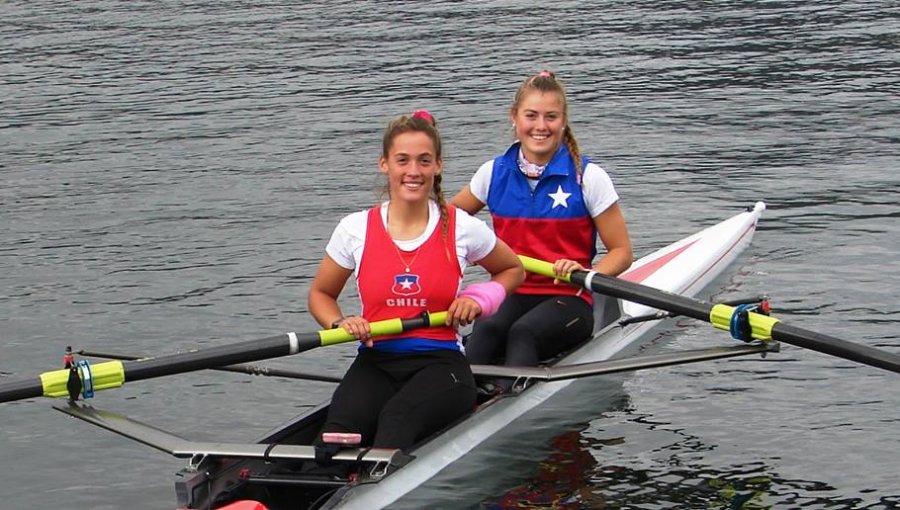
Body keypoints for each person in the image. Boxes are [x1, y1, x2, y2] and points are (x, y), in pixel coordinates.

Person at [307, 110, 523, 452]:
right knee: (335, 436)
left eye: (424, 161)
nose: (413, 171)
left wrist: (478, 299)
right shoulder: (355, 229)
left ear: (437, 165)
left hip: (441, 363)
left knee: (397, 419)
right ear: (384, 164)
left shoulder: (460, 226)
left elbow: (512, 270)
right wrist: (340, 321)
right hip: (376, 360)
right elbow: (321, 293)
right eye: (402, 160)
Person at [451, 70, 633, 392]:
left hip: (568, 297)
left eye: (551, 117)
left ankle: (501, 403)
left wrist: (586, 272)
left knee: (523, 332)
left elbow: (622, 252)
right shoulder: (493, 173)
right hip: (511, 290)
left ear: (563, 122)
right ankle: (455, 402)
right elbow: (444, 225)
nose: (541, 126)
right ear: (514, 118)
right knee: (488, 329)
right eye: (531, 115)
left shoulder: (588, 178)